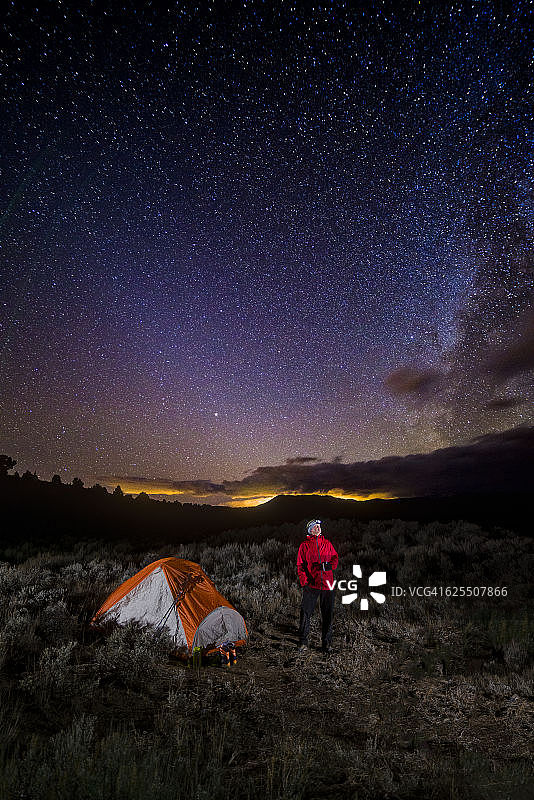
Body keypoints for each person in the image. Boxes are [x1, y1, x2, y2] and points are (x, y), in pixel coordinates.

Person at [297, 519, 338, 655]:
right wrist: (304, 582)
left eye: (319, 526)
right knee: (305, 613)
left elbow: (335, 558)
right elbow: (300, 566)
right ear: (310, 530)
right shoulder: (304, 546)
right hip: (312, 585)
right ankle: (303, 642)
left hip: (327, 585)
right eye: (315, 527)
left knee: (327, 615)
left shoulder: (327, 543)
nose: (318, 528)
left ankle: (327, 644)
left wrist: (330, 566)